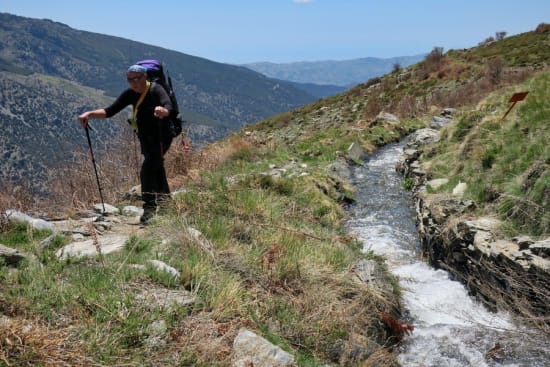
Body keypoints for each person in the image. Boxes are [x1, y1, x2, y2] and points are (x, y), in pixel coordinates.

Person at [78, 64, 174, 224]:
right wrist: (90, 114)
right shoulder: (130, 94)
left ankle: (149, 209)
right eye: (130, 80)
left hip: (162, 137)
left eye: (137, 78)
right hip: (145, 138)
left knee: (147, 170)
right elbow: (110, 111)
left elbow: (168, 105)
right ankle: (167, 204)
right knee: (156, 168)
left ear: (145, 77)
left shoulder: (156, 90)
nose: (134, 82)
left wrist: (164, 111)